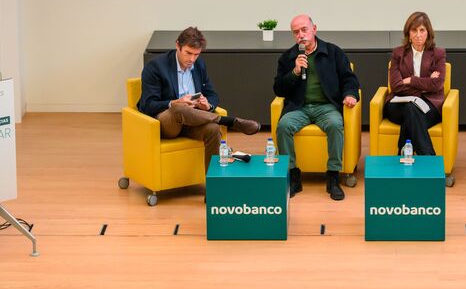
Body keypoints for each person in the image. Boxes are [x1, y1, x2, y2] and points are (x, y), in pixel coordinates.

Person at [138, 27, 260, 174]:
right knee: (179, 109)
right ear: (178, 45)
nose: (191, 59)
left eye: (196, 54)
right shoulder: (156, 66)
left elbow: (212, 94)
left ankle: (213, 186)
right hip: (166, 122)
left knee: (213, 130)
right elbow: (147, 105)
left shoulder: (199, 65)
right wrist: (174, 102)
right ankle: (228, 121)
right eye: (188, 53)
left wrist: (207, 105)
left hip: (194, 120)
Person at [274, 14, 360, 201]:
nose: (301, 35)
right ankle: (293, 174)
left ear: (314, 29)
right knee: (283, 126)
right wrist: (295, 72)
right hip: (299, 107)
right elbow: (278, 88)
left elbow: (349, 79)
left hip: (327, 106)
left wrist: (351, 95)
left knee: (336, 125)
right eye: (296, 32)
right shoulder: (288, 58)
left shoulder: (333, 52)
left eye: (304, 30)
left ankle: (333, 176)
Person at [385, 11, 446, 156]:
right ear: (408, 33)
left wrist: (411, 80)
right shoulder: (397, 54)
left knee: (411, 112)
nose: (418, 35)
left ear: (428, 32)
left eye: (422, 30)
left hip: (430, 105)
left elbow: (437, 84)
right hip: (397, 105)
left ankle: (403, 151)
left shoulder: (438, 54)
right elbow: (396, 86)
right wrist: (425, 84)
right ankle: (430, 163)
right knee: (410, 108)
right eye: (414, 30)